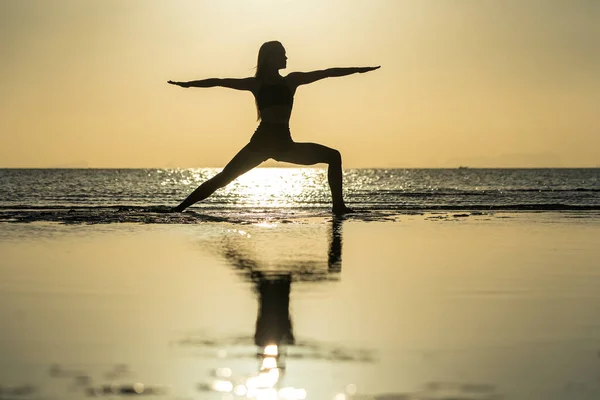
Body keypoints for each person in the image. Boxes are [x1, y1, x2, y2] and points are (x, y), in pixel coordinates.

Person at [168, 40, 379, 214]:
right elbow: (220, 81)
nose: (286, 58)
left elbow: (326, 72)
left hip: (284, 145)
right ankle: (179, 209)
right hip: (260, 144)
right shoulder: (256, 84)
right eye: (282, 54)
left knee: (334, 156)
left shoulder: (291, 81)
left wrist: (359, 70)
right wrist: (188, 84)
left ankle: (338, 207)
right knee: (224, 178)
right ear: (270, 58)